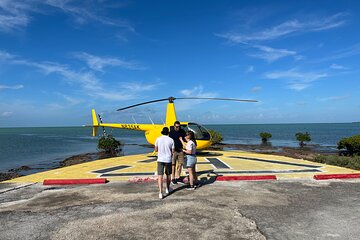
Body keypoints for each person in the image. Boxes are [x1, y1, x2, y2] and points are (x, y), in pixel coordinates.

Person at [154, 127, 175, 199]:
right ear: (168, 133)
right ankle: (167, 188)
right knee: (168, 175)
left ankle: (160, 192)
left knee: (160, 176)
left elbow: (156, 150)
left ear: (162, 132)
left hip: (160, 159)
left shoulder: (158, 139)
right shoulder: (171, 140)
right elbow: (173, 151)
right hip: (168, 159)